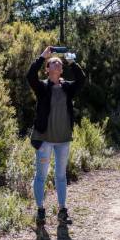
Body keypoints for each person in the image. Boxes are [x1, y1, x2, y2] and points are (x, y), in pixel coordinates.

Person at [26, 46, 86, 226]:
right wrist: (41, 57)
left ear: (61, 69)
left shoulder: (68, 87)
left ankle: (62, 210)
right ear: (47, 69)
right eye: (52, 62)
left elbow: (82, 79)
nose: (56, 64)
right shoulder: (42, 87)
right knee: (41, 176)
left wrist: (72, 61)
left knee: (61, 176)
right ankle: (40, 210)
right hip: (44, 140)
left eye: (59, 63)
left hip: (63, 141)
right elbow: (30, 76)